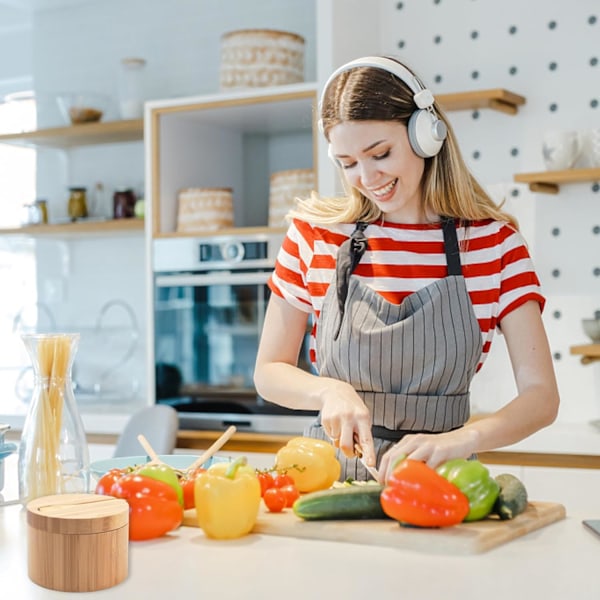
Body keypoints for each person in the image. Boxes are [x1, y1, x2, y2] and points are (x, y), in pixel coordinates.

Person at [254, 55, 559, 483]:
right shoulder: (314, 236)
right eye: (348, 162)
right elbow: (268, 371)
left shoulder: (494, 244)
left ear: (425, 136)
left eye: (380, 154)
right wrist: (329, 390)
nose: (366, 176)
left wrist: (462, 440)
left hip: (441, 483)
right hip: (325, 482)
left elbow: (542, 398)